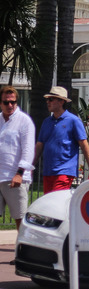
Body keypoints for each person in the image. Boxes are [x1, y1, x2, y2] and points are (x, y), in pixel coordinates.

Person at [33, 86, 89, 194]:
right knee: (49, 204)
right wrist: (31, 166)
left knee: (56, 201)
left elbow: (84, 144)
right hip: (48, 171)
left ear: (61, 101)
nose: (47, 102)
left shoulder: (74, 120)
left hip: (64, 170)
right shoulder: (46, 122)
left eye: (51, 99)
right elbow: (39, 145)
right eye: (47, 99)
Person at [0, 86, 35, 229]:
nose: (10, 105)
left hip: (15, 177)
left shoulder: (24, 121)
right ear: (0, 103)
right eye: (6, 102)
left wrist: (19, 173)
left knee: (20, 218)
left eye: (13, 102)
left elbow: (28, 150)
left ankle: (24, 249)